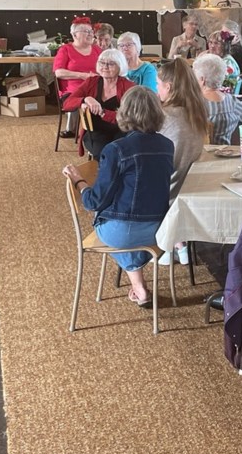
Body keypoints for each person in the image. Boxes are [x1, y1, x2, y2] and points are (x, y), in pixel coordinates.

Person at [62, 87, 174, 308]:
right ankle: (139, 286)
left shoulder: (116, 149)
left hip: (123, 232)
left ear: (125, 113)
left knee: (117, 228)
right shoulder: (167, 145)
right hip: (160, 229)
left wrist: (78, 181)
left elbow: (94, 201)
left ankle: (139, 286)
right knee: (128, 225)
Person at [62, 48, 136, 159]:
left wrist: (103, 113)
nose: (105, 66)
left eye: (111, 63)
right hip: (95, 131)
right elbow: (67, 103)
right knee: (105, 154)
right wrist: (85, 99)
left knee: (121, 152)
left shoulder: (129, 86)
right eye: (102, 62)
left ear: (120, 66)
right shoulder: (91, 82)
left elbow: (129, 117)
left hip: (122, 129)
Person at [156, 59, 210, 201]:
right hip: (191, 185)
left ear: (168, 87)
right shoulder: (199, 110)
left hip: (166, 190)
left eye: (157, 84)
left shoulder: (164, 116)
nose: (156, 89)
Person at [53, 16, 102, 137]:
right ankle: (87, 133)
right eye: (86, 32)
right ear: (74, 34)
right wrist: (82, 76)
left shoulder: (97, 50)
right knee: (86, 102)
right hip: (72, 92)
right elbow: (58, 72)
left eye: (91, 31)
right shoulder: (65, 50)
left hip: (96, 89)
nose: (91, 34)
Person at [191, 53, 242, 146]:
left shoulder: (194, 103)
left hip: (200, 156)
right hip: (226, 155)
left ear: (202, 79)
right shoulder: (230, 101)